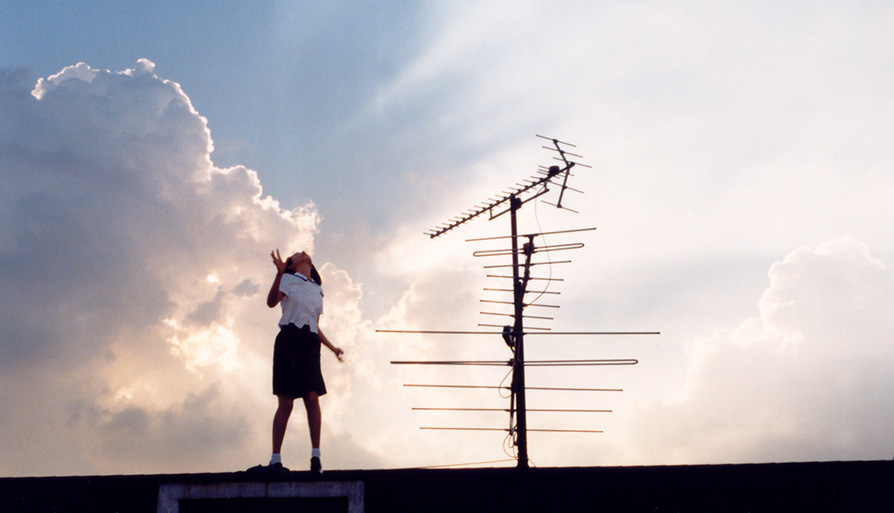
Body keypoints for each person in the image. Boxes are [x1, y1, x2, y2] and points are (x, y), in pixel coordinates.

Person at [265, 249, 344, 473]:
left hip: (310, 342)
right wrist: (279, 274)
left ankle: (315, 456)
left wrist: (332, 348)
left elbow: (315, 324)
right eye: (296, 254)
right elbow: (271, 302)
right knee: (286, 402)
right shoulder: (288, 278)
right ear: (292, 264)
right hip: (289, 339)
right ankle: (275, 459)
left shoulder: (317, 289)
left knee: (312, 396)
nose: (301, 252)